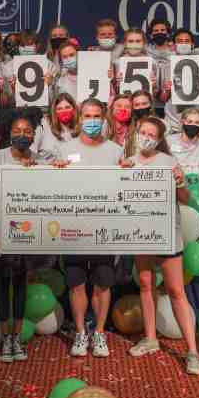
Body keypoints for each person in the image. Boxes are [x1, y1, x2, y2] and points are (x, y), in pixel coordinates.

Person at [123, 116, 199, 375]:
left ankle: (192, 351)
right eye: (142, 132)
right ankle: (151, 338)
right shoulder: (129, 162)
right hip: (138, 230)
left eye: (151, 134)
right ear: (136, 133)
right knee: (145, 285)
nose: (145, 136)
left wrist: (179, 181)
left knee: (176, 290)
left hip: (167, 232)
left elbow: (186, 198)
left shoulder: (169, 162)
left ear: (159, 139)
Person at [53, 98, 124, 358]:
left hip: (104, 227)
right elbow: (55, 188)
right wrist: (56, 172)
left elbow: (123, 187)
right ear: (79, 118)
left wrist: (126, 171)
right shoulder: (65, 149)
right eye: (87, 116)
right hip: (74, 227)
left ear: (103, 119)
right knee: (76, 283)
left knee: (103, 283)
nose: (92, 121)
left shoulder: (116, 150)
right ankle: (81, 333)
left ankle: (100, 332)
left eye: (97, 116)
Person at [0, 108, 50, 362]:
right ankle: (4, 339)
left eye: (27, 132)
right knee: (2, 282)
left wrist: (38, 172)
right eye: (17, 131)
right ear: (9, 133)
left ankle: (17, 338)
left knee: (21, 281)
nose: (22, 135)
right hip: (1, 224)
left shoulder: (36, 161)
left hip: (27, 226)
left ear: (34, 135)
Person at [159, 28, 199, 134]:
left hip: (197, 123)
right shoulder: (165, 66)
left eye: (187, 41)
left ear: (192, 44)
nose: (183, 44)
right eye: (179, 41)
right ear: (174, 45)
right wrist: (166, 90)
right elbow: (162, 98)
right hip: (173, 123)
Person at [166, 107, 199, 183]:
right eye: (189, 121)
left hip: (195, 183)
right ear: (182, 122)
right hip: (173, 181)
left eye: (197, 122)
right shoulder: (169, 140)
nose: (193, 125)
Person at [32, 92, 80, 162]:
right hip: (46, 169)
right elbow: (32, 150)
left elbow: (83, 155)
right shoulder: (43, 124)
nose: (64, 111)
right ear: (54, 111)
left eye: (67, 107)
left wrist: (65, 160)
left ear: (74, 109)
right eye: (59, 109)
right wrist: (52, 161)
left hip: (73, 169)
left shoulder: (81, 127)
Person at [146, 19, 173, 116]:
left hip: (171, 104)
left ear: (168, 33)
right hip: (150, 103)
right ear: (151, 34)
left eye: (162, 30)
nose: (159, 33)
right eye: (156, 31)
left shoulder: (176, 53)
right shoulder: (145, 52)